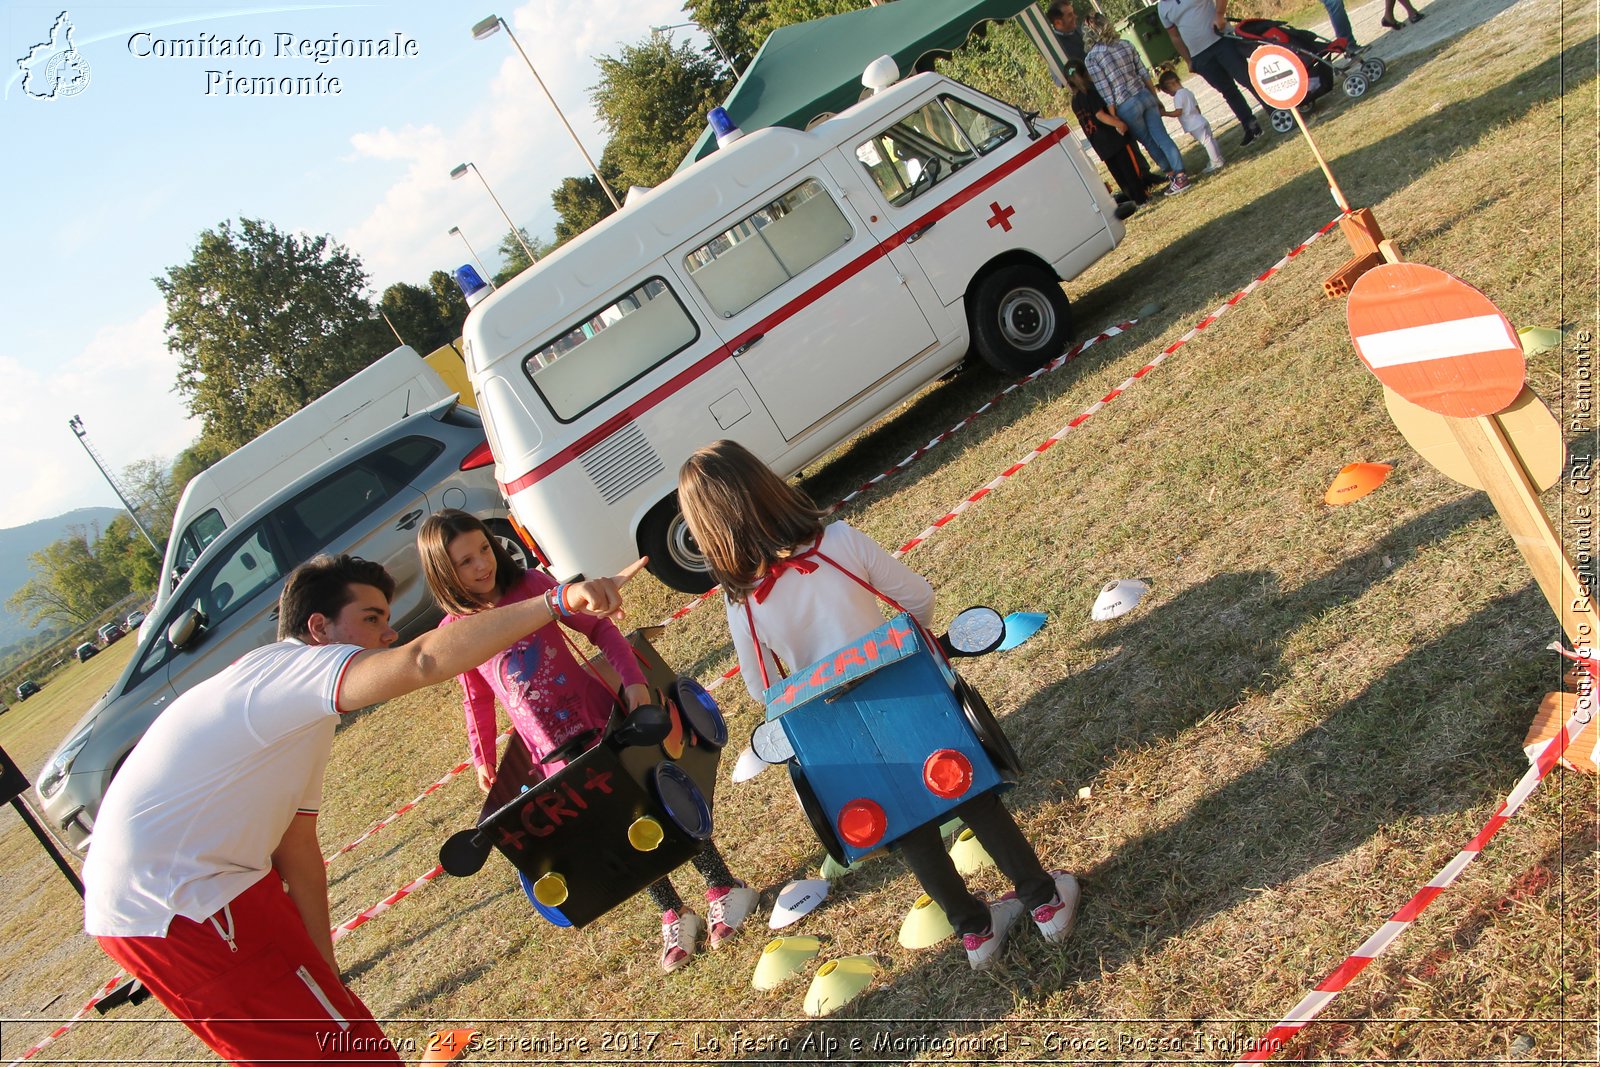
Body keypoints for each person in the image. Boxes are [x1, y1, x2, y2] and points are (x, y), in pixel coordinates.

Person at [84, 553, 643, 1065]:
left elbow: (297, 849)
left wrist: (327, 975)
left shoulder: (296, 708)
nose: (389, 632)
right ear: (318, 628)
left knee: (344, 1033)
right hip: (184, 903)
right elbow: (422, 660)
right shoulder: (286, 672)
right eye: (372, 618)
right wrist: (557, 602)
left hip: (197, 895)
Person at [676, 440, 1081, 972]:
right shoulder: (838, 541)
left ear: (709, 530)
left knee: (901, 821)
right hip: (909, 693)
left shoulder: (742, 603)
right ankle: (1044, 901)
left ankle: (974, 932)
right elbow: (917, 600)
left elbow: (763, 688)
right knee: (972, 792)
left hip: (835, 729)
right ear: (765, 484)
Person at [416, 509, 757, 973]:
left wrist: (633, 683)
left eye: (482, 549)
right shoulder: (453, 634)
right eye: (464, 562)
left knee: (656, 801)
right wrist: (483, 757)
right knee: (616, 828)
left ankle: (723, 887)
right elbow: (474, 696)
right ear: (443, 573)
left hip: (599, 723)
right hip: (551, 754)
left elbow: (598, 628)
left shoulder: (532, 589)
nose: (482, 564)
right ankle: (674, 913)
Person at [1083, 19, 1191, 195]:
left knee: (1148, 141)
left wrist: (1115, 118)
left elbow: (1106, 91)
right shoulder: (1125, 44)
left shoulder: (1092, 58)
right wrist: (1155, 98)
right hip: (1143, 94)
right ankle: (1181, 174)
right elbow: (1143, 72)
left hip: (1125, 104)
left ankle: (1172, 174)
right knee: (1162, 136)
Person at [1157, 0, 1266, 146]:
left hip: (1222, 40)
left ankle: (1276, 110)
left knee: (1248, 79)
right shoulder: (1162, 7)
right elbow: (1175, 37)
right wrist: (1189, 60)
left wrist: (1219, 15)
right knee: (1228, 91)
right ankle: (1250, 125)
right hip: (1200, 56)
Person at [1068, 62, 1150, 204]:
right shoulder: (1091, 93)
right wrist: (1119, 123)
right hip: (1113, 138)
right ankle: (1142, 197)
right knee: (1130, 169)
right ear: (1085, 73)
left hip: (1099, 143)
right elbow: (1100, 115)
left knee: (1118, 173)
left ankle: (1132, 198)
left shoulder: (1074, 101)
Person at [1157, 69, 1225, 174]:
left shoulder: (1178, 96)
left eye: (1168, 91)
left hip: (1193, 124)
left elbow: (1178, 112)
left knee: (1206, 142)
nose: (1169, 94)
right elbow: (1197, 108)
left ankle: (1215, 161)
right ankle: (1218, 157)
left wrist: (1164, 113)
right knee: (1210, 139)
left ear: (1172, 84)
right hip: (1200, 120)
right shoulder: (1188, 92)